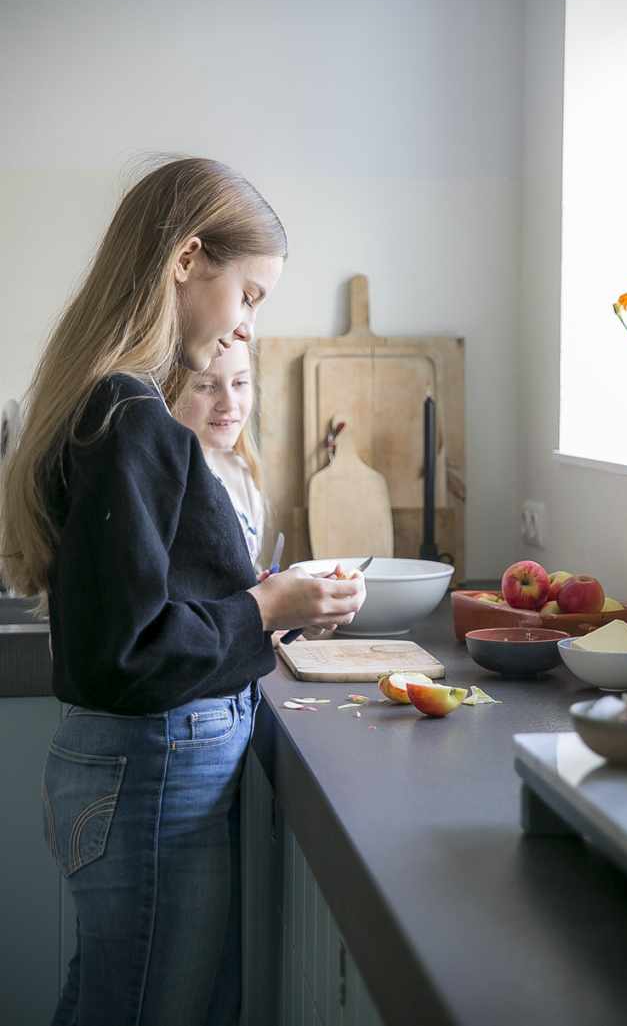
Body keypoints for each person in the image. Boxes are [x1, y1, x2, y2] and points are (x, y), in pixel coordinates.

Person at [0, 156, 366, 1026]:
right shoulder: (131, 415)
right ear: (187, 259)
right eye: (248, 295)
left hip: (145, 773)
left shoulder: (114, 407)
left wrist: (264, 604)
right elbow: (122, 652)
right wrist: (270, 608)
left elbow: (148, 605)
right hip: (153, 773)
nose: (245, 326)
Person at [175, 339, 265, 570]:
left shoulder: (241, 473)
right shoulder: (165, 485)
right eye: (205, 386)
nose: (228, 403)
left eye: (240, 383)